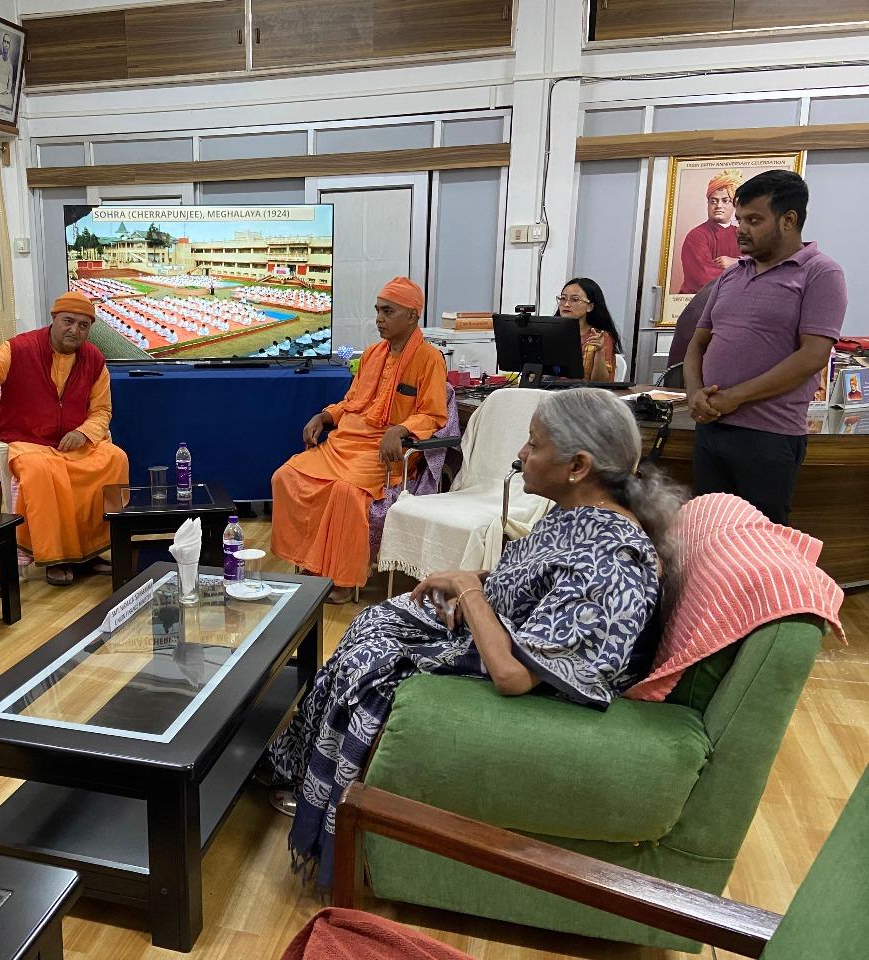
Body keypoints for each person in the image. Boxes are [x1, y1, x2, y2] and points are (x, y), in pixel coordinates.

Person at [267, 388, 680, 887]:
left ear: (578, 466)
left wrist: (467, 590)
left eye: (533, 444)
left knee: (373, 661)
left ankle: (320, 791)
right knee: (377, 621)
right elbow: (535, 581)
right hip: (497, 632)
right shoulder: (579, 515)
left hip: (514, 671)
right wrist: (477, 578)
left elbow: (514, 675)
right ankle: (299, 761)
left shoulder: (614, 561)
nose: (520, 455)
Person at [0, 291, 130, 585]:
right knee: (39, 470)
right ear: (54, 319)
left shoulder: (94, 360)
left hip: (74, 443)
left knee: (115, 459)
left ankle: (91, 551)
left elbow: (102, 410)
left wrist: (84, 432)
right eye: (69, 321)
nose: (75, 330)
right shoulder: (18, 349)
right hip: (26, 442)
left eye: (83, 325)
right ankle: (54, 555)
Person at [271, 277, 449, 604]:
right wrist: (323, 417)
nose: (379, 318)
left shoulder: (430, 359)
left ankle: (341, 579)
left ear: (412, 316)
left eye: (387, 311)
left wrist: (399, 429)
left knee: (346, 491)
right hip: (346, 441)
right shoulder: (371, 354)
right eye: (377, 311)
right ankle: (310, 565)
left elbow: (434, 414)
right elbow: (351, 402)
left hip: (385, 452)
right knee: (286, 476)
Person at [684, 170, 846, 524]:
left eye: (753, 220)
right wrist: (695, 392)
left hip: (769, 436)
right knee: (707, 533)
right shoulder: (732, 273)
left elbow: (813, 356)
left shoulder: (820, 273)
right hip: (712, 428)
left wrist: (736, 396)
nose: (740, 228)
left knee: (760, 544)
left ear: (789, 220)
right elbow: (698, 343)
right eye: (740, 218)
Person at [678, 170, 742, 294]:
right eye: (713, 201)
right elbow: (703, 276)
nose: (718, 206)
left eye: (725, 200)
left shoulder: (741, 234)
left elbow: (762, 264)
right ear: (707, 204)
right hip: (698, 301)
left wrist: (736, 262)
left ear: (734, 205)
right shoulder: (697, 236)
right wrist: (745, 271)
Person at [557, 277, 622, 382]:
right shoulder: (551, 333)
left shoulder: (600, 337)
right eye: (563, 298)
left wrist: (600, 351)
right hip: (549, 394)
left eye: (575, 299)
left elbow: (600, 383)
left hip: (585, 395)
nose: (566, 304)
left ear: (590, 307)